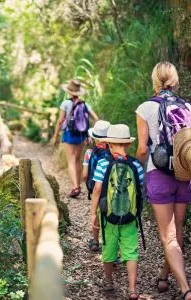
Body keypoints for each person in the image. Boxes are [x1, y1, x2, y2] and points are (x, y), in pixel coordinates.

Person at [136, 61, 191, 299]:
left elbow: (141, 148)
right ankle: (163, 276)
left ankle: (185, 287)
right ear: (175, 80)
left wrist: (141, 166)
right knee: (177, 231)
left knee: (167, 235)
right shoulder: (188, 107)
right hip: (184, 173)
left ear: (155, 81)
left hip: (158, 173)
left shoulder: (145, 108)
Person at [90, 124, 144, 300]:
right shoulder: (136, 164)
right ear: (128, 145)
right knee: (131, 250)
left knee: (109, 247)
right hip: (130, 215)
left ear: (109, 144)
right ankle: (132, 289)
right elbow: (140, 190)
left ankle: (108, 280)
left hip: (108, 216)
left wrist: (93, 214)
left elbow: (97, 190)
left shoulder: (103, 163)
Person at [51, 79, 99, 198]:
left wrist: (55, 136)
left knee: (71, 160)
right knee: (77, 159)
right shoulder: (85, 104)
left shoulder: (66, 104)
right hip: (81, 135)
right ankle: (78, 185)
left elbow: (60, 120)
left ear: (69, 91)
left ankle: (76, 187)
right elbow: (96, 118)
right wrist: (91, 133)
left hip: (69, 134)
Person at [82, 120, 111, 252]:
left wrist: (89, 185)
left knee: (97, 215)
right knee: (109, 216)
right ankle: (111, 245)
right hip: (112, 189)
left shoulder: (89, 153)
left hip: (96, 189)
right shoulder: (113, 152)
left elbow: (84, 174)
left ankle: (95, 241)